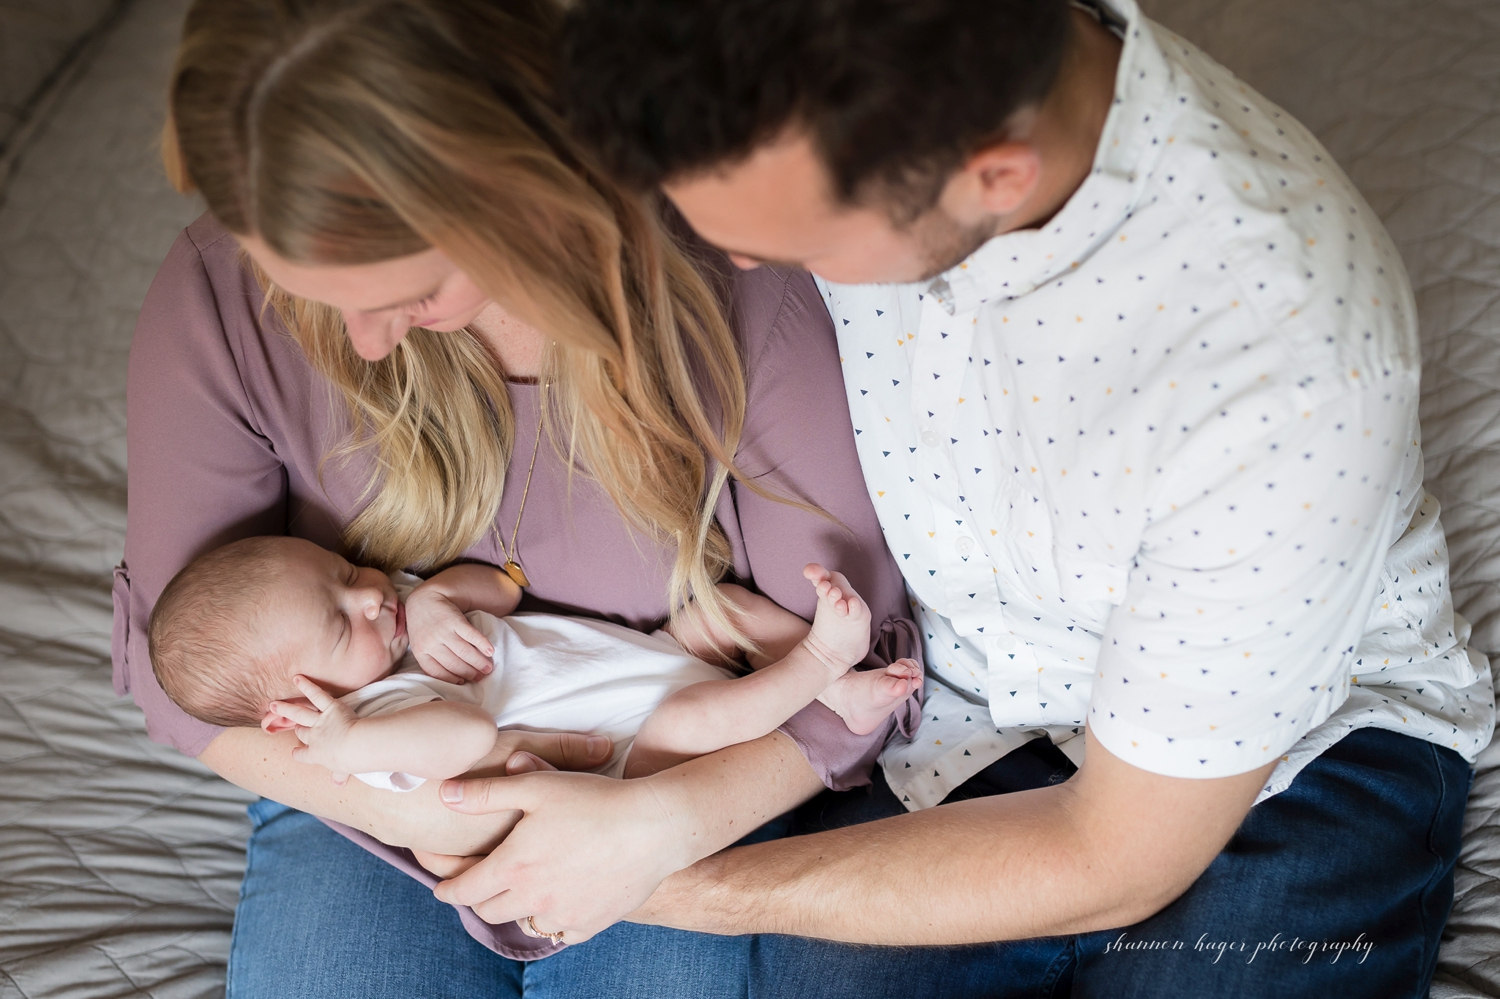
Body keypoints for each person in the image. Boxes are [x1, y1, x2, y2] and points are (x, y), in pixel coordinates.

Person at [438, 0, 1490, 994]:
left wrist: (660, 877)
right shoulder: (866, 87)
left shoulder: (1288, 364)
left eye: (795, 245)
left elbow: (1116, 855)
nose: (742, 265)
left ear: (995, 178)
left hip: (1289, 759)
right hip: (966, 704)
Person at [114, 0, 921, 994]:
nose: (365, 346)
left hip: (669, 765)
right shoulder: (218, 299)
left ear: (516, 186)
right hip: (366, 793)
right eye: (323, 297)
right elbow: (175, 667)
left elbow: (846, 660)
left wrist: (658, 826)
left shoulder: (737, 285)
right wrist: (419, 810)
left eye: (406, 294)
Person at [148, 535, 919, 785]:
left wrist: (437, 598)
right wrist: (347, 742)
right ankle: (820, 660)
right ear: (289, 712)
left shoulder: (403, 615)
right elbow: (467, 741)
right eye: (338, 620)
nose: (368, 599)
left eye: (346, 575)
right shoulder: (367, 729)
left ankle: (841, 693)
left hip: (653, 655)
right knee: (695, 714)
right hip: (637, 748)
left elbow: (505, 591)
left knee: (715, 610)